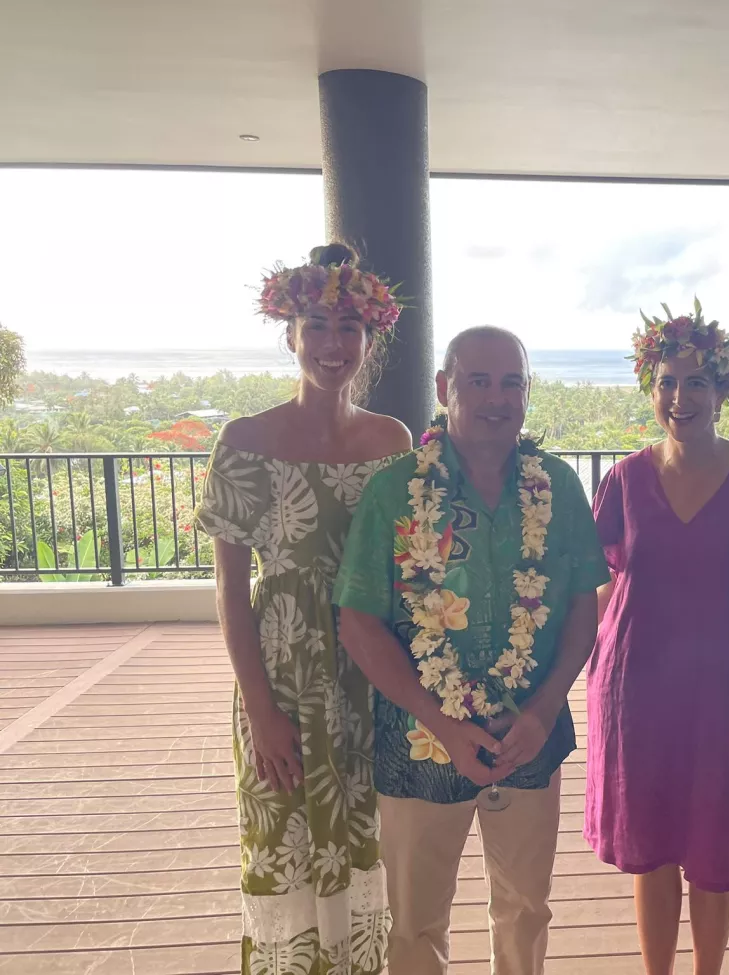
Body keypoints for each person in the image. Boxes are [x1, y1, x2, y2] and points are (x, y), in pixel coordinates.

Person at [333, 325, 609, 975]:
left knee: (525, 908)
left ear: (526, 393)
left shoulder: (558, 488)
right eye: (478, 381)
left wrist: (542, 711)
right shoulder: (396, 491)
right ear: (443, 389)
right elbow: (359, 621)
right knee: (415, 922)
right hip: (421, 740)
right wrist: (444, 723)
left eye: (511, 381)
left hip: (529, 735)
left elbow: (579, 606)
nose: (496, 397)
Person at [196, 243, 409, 974]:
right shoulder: (245, 440)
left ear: (369, 340)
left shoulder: (391, 442)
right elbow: (229, 588)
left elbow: (402, 569)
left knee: (361, 839)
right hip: (280, 672)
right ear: (291, 332)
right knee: (282, 840)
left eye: (349, 329)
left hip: (366, 674)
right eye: (317, 325)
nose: (332, 344)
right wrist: (261, 708)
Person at [586, 303, 729, 975]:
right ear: (652, 388)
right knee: (652, 848)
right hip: (636, 688)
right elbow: (599, 585)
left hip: (724, 690)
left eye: (697, 382)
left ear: (724, 389)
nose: (682, 397)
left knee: (711, 844)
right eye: (668, 381)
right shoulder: (623, 478)